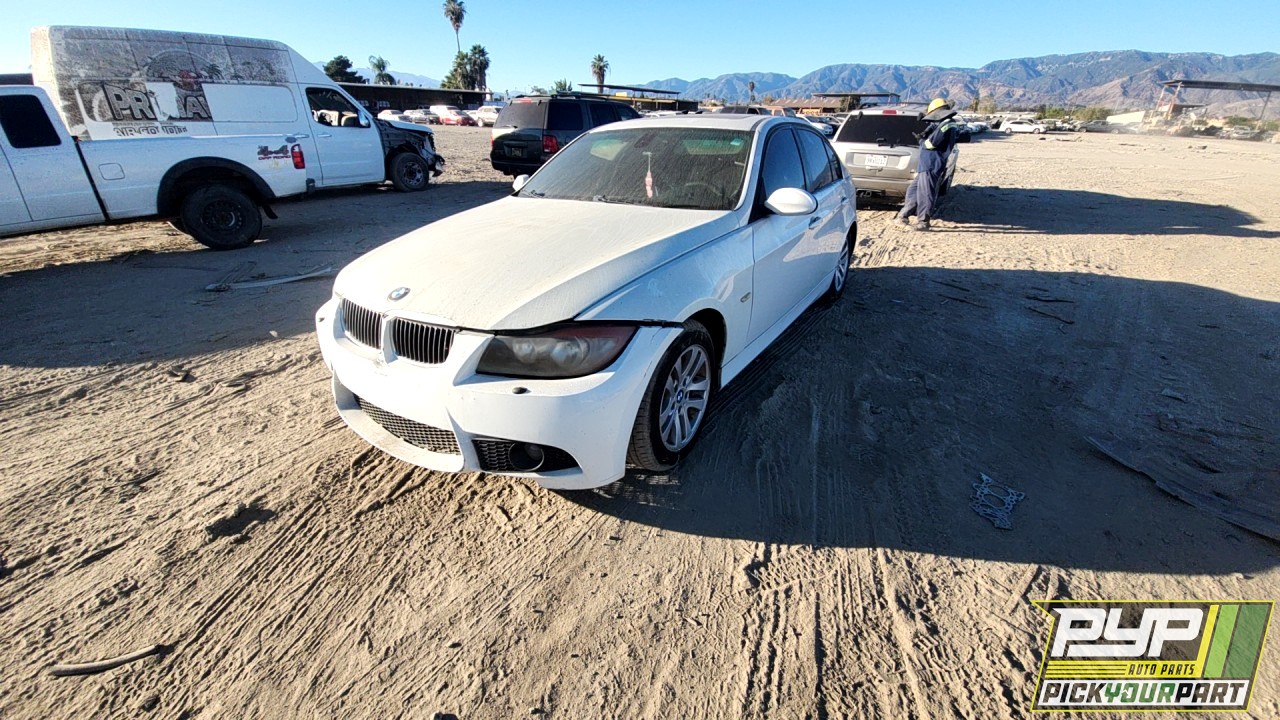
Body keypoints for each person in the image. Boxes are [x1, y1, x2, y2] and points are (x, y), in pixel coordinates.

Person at [897, 98, 961, 230]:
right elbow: (935, 128)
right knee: (913, 190)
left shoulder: (947, 124)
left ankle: (923, 222)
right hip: (925, 164)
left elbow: (931, 144)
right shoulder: (943, 123)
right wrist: (927, 130)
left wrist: (921, 140)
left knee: (925, 194)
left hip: (932, 163)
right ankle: (903, 215)